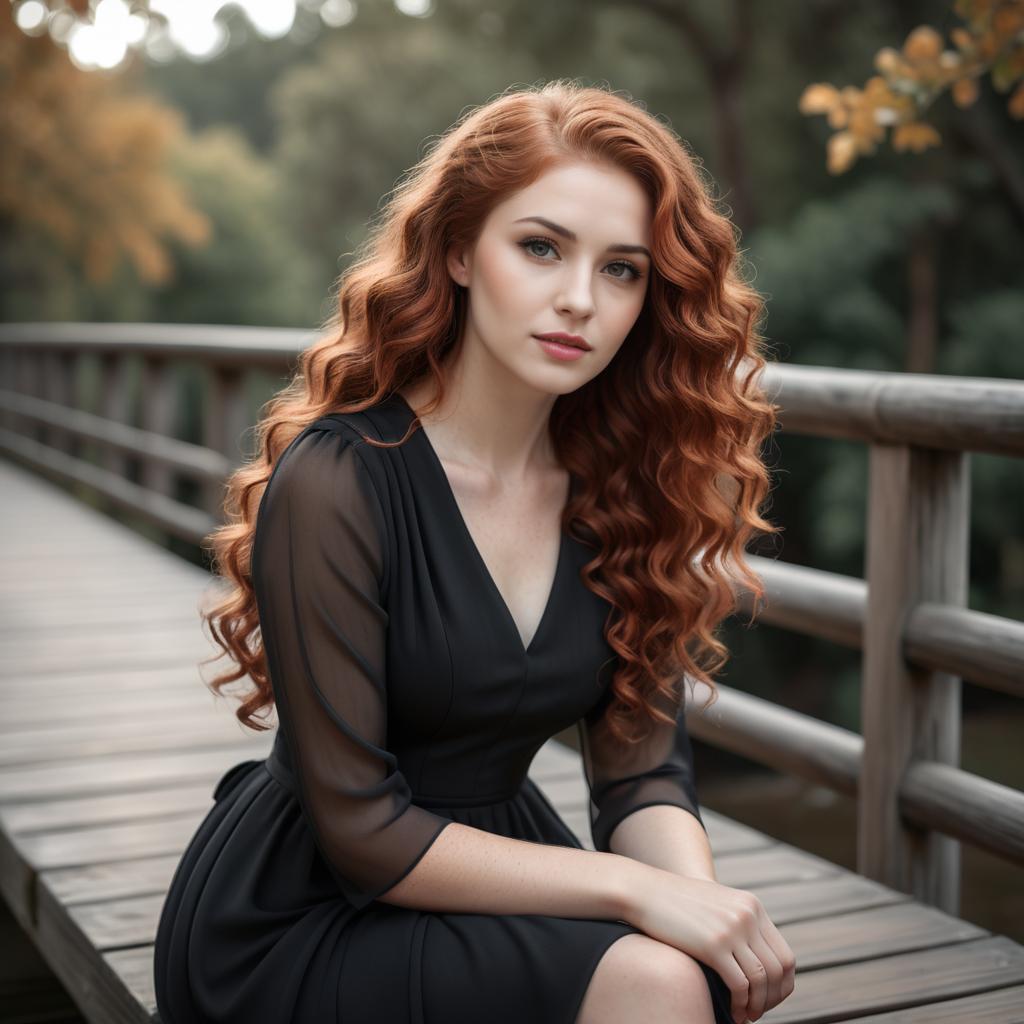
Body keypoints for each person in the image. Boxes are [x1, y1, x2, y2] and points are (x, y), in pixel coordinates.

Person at [154, 79, 794, 1024]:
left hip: (501, 867)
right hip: (305, 911)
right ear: (457, 250)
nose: (578, 299)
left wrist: (699, 911)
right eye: (540, 247)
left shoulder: (626, 489)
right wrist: (639, 894)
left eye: (622, 269)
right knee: (654, 978)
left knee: (686, 969)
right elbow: (362, 829)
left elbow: (641, 776)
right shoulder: (339, 480)